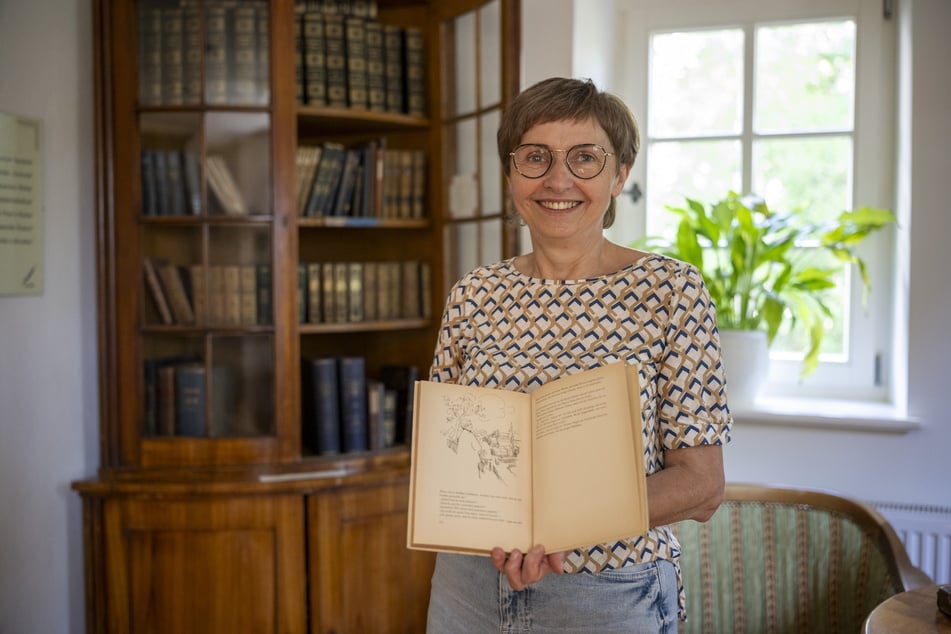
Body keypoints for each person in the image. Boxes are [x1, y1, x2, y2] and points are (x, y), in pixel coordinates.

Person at [425, 77, 732, 632]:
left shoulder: (670, 290)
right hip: (467, 584)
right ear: (511, 174)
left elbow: (702, 485)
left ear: (620, 175)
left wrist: (557, 526)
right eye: (535, 158)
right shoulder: (473, 295)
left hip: (609, 593)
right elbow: (447, 461)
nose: (558, 179)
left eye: (585, 158)